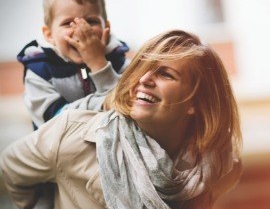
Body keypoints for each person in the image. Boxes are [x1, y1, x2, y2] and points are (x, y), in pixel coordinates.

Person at [0, 30, 242, 209]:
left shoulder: (220, 163)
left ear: (195, 104)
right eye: (142, 67)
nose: (143, 78)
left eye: (165, 74)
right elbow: (10, 169)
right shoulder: (73, 134)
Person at [17, 0, 129, 130]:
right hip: (58, 148)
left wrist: (99, 64)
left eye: (91, 21)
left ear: (106, 27)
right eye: (68, 23)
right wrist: (103, 103)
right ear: (49, 34)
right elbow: (55, 122)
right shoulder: (39, 71)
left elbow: (126, 106)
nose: (81, 30)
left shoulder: (120, 61)